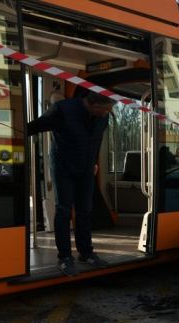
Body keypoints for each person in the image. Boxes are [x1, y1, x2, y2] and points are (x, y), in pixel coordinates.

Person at [28, 92, 115, 276]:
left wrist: (94, 162)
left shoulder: (102, 118)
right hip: (63, 168)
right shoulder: (62, 110)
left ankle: (86, 253)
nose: (108, 113)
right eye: (106, 109)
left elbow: (95, 141)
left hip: (86, 169)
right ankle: (65, 257)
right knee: (64, 210)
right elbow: (34, 127)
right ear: (93, 105)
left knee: (85, 210)